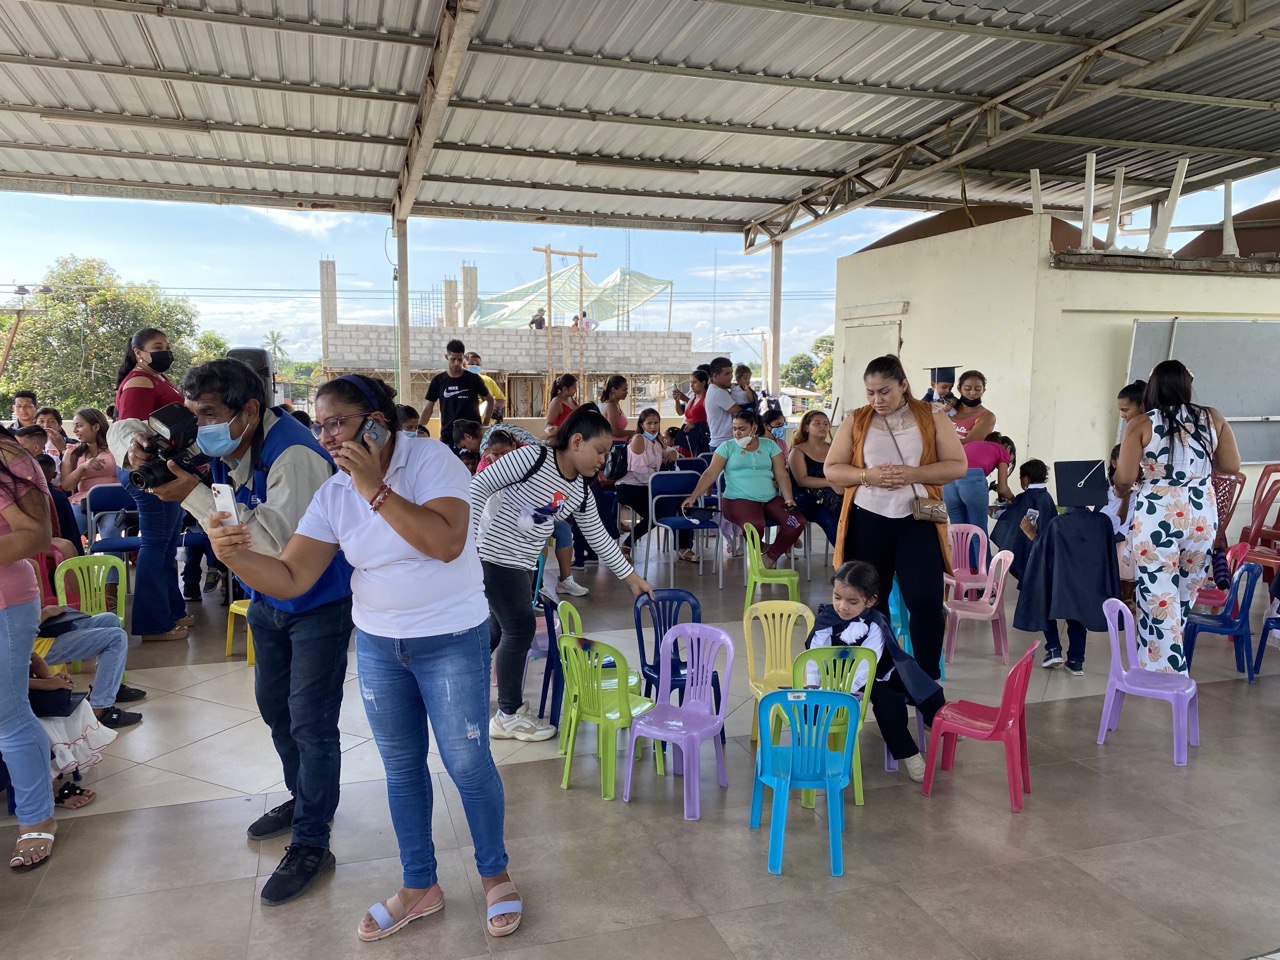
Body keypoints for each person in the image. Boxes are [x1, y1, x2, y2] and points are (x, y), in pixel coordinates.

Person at [207, 373, 523, 942]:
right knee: (402, 769)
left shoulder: (431, 462)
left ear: (375, 422)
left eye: (337, 422)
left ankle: (494, 874)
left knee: (467, 764)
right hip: (379, 645)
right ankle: (419, 884)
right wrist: (233, 557)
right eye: (319, 425)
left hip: (451, 637)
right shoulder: (333, 493)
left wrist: (375, 487)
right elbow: (291, 576)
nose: (326, 436)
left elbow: (446, 542)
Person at [119, 358, 356, 905]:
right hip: (267, 601)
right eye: (193, 413)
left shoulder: (294, 454)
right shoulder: (229, 442)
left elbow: (278, 547)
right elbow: (130, 432)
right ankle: (304, 798)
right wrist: (142, 449)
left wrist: (191, 495)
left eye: (209, 414)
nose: (199, 426)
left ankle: (312, 841)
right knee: (276, 709)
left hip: (317, 603)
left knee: (311, 722)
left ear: (249, 410)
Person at [470, 406, 655, 742]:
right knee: (519, 629)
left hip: (524, 564)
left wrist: (631, 578)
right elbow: (479, 486)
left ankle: (461, 685)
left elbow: (599, 537)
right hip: (494, 557)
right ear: (576, 441)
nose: (602, 460)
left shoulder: (580, 490)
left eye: (606, 453)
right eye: (599, 451)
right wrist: (467, 546)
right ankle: (508, 714)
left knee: (496, 630)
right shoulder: (533, 458)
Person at [823, 354, 966, 680]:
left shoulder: (931, 415)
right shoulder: (856, 419)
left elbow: (957, 465)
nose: (877, 400)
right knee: (869, 599)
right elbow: (832, 469)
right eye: (870, 392)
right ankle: (879, 673)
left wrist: (913, 473)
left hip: (916, 521)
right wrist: (866, 476)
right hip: (867, 520)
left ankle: (925, 679)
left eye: (884, 391)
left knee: (925, 600)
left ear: (903, 385)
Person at [1114, 360, 1240, 674]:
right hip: (1201, 515)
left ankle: (1168, 672)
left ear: (1153, 388)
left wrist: (1122, 487)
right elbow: (1231, 465)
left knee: (1157, 596)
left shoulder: (1142, 423)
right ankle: (1159, 662)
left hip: (1158, 516)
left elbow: (1125, 477)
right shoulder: (1212, 417)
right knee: (1183, 595)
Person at [804, 561, 945, 781]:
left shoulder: (876, 622)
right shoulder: (826, 620)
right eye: (837, 597)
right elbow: (814, 657)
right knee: (889, 702)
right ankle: (909, 754)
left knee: (924, 686)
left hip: (876, 669)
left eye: (852, 601)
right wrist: (815, 685)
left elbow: (867, 662)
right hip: (844, 678)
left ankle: (935, 719)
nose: (842, 607)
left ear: (870, 601)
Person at [105, 328, 190, 642]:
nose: (165, 351)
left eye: (166, 345)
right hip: (150, 471)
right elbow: (131, 430)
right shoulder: (139, 381)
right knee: (156, 545)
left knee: (167, 545)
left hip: (165, 469)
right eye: (157, 346)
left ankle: (172, 611)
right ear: (139, 353)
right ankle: (153, 624)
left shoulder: (157, 378)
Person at [0, 424, 58, 872]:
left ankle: (36, 817)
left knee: (9, 715)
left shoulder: (8, 458)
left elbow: (37, 535)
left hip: (5, 601)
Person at [1014, 486, 1121, 676]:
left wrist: (1032, 534)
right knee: (1078, 615)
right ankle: (1076, 661)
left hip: (1061, 580)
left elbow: (1043, 553)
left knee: (1044, 598)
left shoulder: (1058, 523)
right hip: (1090, 582)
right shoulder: (1102, 521)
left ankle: (1054, 648)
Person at [681, 409, 804, 569]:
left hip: (769, 499)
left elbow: (781, 473)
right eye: (734, 429)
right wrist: (693, 497)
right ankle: (762, 547)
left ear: (754, 427)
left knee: (796, 522)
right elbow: (710, 473)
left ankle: (770, 556)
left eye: (742, 428)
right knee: (755, 524)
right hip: (737, 501)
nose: (737, 433)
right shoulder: (727, 447)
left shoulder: (770, 445)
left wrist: (788, 498)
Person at [34, 602, 142, 727]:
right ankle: (99, 710)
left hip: (44, 630)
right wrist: (46, 612)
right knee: (117, 638)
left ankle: (109, 689)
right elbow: (19, 632)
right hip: (35, 647)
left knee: (110, 619)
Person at [616, 407, 681, 560]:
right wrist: (658, 483)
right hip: (631, 487)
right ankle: (627, 545)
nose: (653, 426)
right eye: (649, 423)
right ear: (642, 424)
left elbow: (670, 452)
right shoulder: (639, 439)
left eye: (656, 423)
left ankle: (684, 547)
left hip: (648, 486)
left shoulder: (656, 440)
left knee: (676, 503)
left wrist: (673, 453)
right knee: (656, 515)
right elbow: (639, 472)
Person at [944, 432, 1016, 558]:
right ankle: (984, 570)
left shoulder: (974, 444)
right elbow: (1003, 489)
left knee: (960, 535)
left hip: (948, 482)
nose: (1008, 463)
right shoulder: (1002, 450)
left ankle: (963, 569)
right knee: (979, 533)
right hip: (971, 480)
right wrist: (1016, 500)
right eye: (1011, 460)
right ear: (1009, 448)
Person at [990, 459, 1056, 583]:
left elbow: (1010, 518)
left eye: (1020, 478)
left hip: (1028, 547)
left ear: (1026, 478)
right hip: (1045, 548)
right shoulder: (1047, 497)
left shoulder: (1025, 497)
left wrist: (993, 512)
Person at [788, 410, 843, 547]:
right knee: (829, 519)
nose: (822, 426)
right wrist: (830, 483)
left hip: (833, 496)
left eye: (825, 424)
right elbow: (802, 480)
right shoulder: (797, 451)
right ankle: (846, 556)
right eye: (817, 424)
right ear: (806, 427)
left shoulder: (833, 449)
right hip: (808, 499)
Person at [61, 407, 116, 535]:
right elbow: (67, 486)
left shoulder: (115, 448)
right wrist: (82, 467)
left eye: (79, 425)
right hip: (85, 502)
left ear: (96, 427)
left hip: (115, 499)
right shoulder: (73, 452)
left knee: (109, 530)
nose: (74, 430)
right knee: (72, 527)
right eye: (74, 426)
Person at [422, 339, 490, 441]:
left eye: (460, 359)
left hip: (472, 436)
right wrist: (419, 428)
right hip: (448, 435)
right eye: (453, 359)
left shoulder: (474, 379)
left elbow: (490, 400)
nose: (456, 363)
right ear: (446, 357)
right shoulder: (438, 380)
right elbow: (429, 408)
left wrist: (485, 424)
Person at [33, 456, 81, 557]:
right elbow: (71, 529)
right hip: (61, 547)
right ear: (54, 475)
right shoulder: (59, 496)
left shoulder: (26, 496)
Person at [950, 369, 997, 444]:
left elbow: (969, 444)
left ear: (983, 390)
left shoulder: (987, 416)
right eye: (967, 388)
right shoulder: (949, 407)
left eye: (978, 389)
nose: (973, 392)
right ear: (959, 389)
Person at [705, 357, 741, 450]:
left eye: (731, 373)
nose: (731, 377)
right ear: (715, 376)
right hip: (724, 444)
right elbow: (739, 413)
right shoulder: (718, 392)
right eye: (727, 374)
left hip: (721, 443)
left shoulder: (714, 389)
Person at [673, 369, 710, 456]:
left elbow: (711, 420)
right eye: (691, 382)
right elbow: (680, 412)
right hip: (688, 437)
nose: (691, 385)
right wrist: (677, 401)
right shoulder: (692, 398)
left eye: (694, 382)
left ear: (703, 383)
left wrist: (696, 424)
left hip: (699, 438)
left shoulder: (707, 398)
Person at [464, 351, 506, 422]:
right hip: (465, 424)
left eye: (477, 364)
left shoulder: (487, 380)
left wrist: (494, 408)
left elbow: (501, 399)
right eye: (471, 364)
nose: (475, 366)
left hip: (486, 425)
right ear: (463, 365)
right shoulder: (458, 381)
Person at [543, 374, 579, 438]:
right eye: (574, 388)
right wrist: (560, 432)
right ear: (565, 389)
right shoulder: (556, 403)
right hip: (562, 439)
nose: (576, 390)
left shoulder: (570, 398)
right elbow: (548, 425)